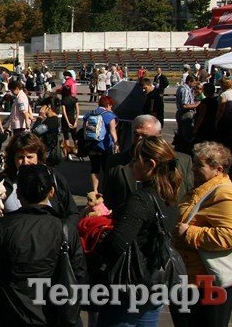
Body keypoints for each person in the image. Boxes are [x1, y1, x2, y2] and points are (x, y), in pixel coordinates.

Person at [0, 164, 87, 327]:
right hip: (53, 314)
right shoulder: (65, 229)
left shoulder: (3, 227)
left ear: (18, 193)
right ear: (51, 191)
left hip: (11, 313)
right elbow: (79, 273)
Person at [95, 136, 184, 326]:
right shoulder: (170, 195)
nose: (131, 165)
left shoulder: (141, 199)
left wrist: (98, 240)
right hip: (156, 280)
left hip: (132, 284)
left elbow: (118, 242)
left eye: (136, 160)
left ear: (151, 164)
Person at [171, 142, 232, 326]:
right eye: (194, 164)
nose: (193, 169)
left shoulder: (224, 193)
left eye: (199, 165)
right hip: (192, 275)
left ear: (218, 169)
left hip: (209, 281)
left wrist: (189, 232)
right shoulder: (203, 188)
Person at [102, 115, 194, 213]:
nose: (139, 139)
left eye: (145, 136)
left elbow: (190, 196)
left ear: (159, 136)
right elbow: (109, 200)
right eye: (136, 135)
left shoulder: (182, 161)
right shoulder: (116, 162)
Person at [0, 133, 79, 226]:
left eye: (29, 157)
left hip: (51, 233)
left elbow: (72, 213)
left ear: (38, 156)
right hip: (15, 234)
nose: (25, 162)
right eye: (20, 157)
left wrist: (64, 231)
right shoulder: (3, 181)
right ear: (13, 158)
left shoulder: (52, 177)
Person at [83, 95, 119, 193]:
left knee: (94, 168)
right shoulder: (110, 116)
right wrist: (116, 143)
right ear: (108, 105)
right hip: (104, 146)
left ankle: (95, 190)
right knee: (106, 169)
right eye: (111, 105)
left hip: (91, 145)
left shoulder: (89, 114)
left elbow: (84, 129)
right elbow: (112, 131)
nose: (111, 108)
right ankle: (106, 189)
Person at [31, 94, 61, 166]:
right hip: (50, 152)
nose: (41, 108)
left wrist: (40, 116)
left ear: (48, 106)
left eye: (43, 106)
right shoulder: (56, 120)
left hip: (46, 154)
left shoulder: (51, 121)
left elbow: (35, 132)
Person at [175, 74, 199, 155]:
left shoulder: (181, 88)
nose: (195, 85)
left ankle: (180, 150)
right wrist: (196, 105)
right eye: (194, 83)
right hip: (186, 113)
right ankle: (185, 152)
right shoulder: (185, 90)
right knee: (186, 135)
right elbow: (185, 105)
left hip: (181, 113)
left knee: (180, 134)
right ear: (189, 82)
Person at [60, 84, 80, 160]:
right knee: (75, 136)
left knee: (66, 137)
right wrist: (76, 121)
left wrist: (67, 122)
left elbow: (64, 112)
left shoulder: (63, 101)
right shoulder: (74, 99)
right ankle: (78, 152)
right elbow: (77, 111)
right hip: (73, 119)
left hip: (65, 120)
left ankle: (67, 155)